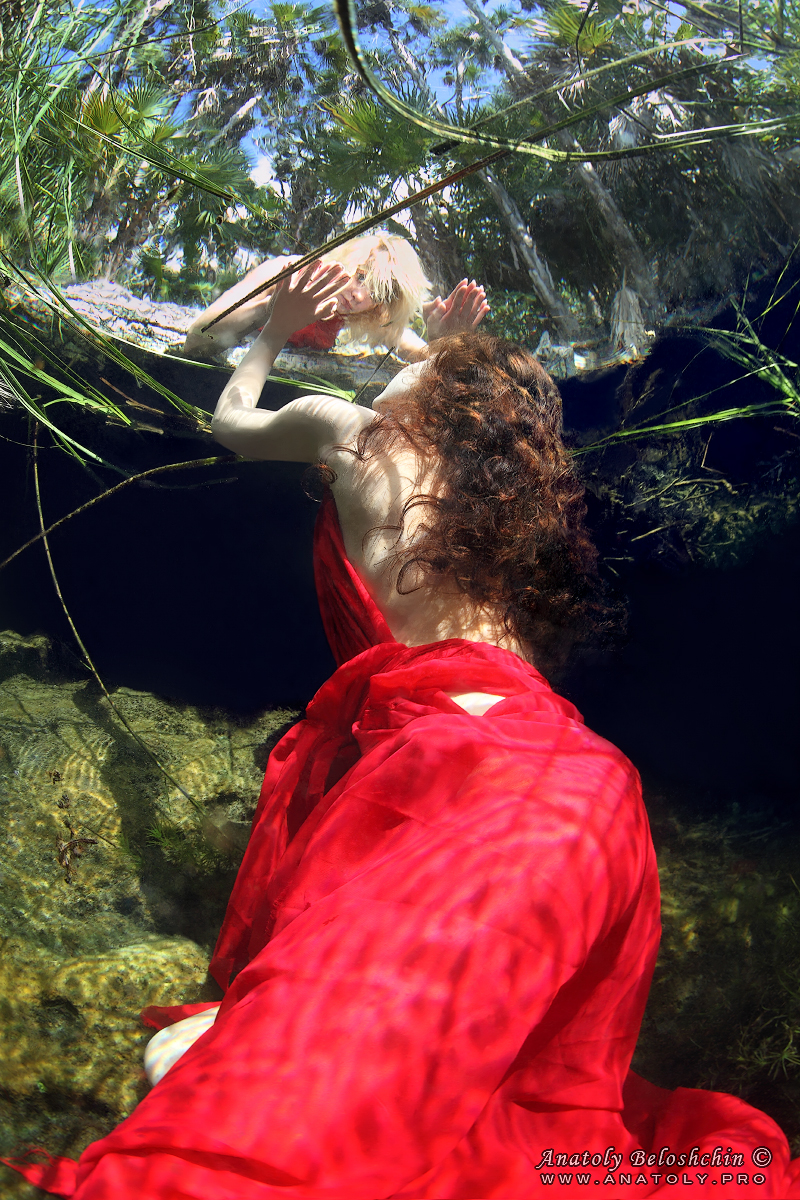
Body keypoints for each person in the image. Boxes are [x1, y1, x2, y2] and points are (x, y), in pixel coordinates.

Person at [8, 263, 800, 1198]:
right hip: (577, 769)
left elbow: (230, 422)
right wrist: (431, 343)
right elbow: (456, 394)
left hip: (457, 762)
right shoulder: (486, 497)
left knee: (288, 1120)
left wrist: (275, 335)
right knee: (518, 1061)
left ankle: (262, 1038)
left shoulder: (351, 433)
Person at [181, 230, 489, 362]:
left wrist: (444, 339)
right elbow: (196, 337)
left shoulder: (368, 316)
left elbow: (425, 357)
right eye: (360, 276)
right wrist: (273, 307)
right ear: (345, 259)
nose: (359, 295)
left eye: (377, 292)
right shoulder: (287, 270)